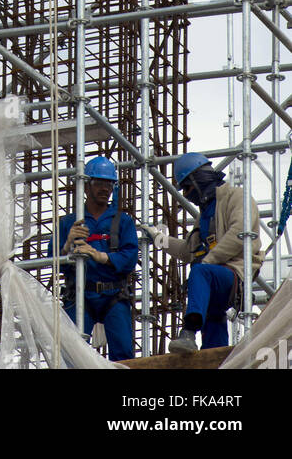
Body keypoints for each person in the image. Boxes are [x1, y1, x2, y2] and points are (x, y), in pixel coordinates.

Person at [145, 151, 264, 355]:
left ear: (199, 179)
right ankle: (216, 358)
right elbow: (188, 250)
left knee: (200, 272)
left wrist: (208, 261)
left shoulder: (237, 197)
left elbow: (238, 234)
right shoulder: (205, 215)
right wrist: (159, 239)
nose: (187, 194)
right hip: (214, 277)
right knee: (211, 319)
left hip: (234, 273)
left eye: (188, 188)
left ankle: (189, 331)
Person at [49, 156, 138, 362]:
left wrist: (101, 256)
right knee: (71, 354)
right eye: (99, 183)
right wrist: (67, 244)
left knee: (123, 354)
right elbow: (52, 261)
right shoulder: (70, 223)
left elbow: (130, 257)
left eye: (108, 184)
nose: (104, 188)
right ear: (86, 187)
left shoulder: (121, 221)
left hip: (114, 293)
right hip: (81, 293)